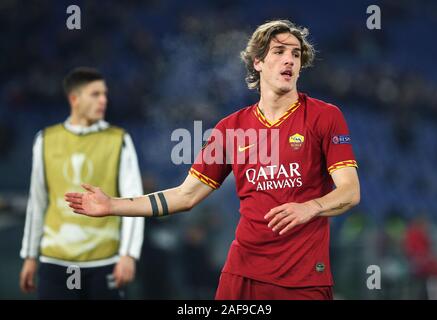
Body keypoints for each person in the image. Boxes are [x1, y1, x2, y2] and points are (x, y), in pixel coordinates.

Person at [65, 20, 360, 300]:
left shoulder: (324, 117)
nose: (290, 60)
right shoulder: (230, 129)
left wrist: (310, 207)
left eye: (296, 54)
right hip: (242, 275)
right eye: (279, 52)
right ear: (257, 62)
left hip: (304, 279)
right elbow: (185, 195)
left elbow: (350, 192)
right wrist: (113, 205)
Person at [20, 67, 145, 299]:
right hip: (54, 261)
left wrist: (128, 254)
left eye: (105, 94)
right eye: (95, 94)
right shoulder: (45, 140)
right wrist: (29, 255)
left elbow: (134, 200)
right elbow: (37, 202)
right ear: (74, 99)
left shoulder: (119, 140)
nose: (103, 100)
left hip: (105, 261)